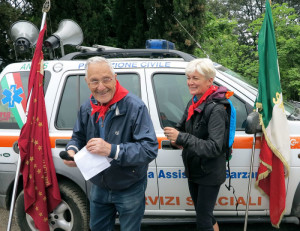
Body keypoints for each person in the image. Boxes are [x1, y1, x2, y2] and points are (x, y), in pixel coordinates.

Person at [63, 56, 158, 231]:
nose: (101, 87)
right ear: (87, 82)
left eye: (106, 79)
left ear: (115, 78)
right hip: (99, 186)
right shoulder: (87, 108)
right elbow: (77, 137)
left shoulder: (135, 107)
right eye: (94, 81)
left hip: (129, 186)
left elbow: (149, 149)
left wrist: (112, 150)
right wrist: (72, 151)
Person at [164, 58, 228, 231]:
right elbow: (182, 128)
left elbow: (214, 147)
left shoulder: (216, 109)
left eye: (195, 78)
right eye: (188, 77)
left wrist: (181, 138)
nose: (190, 82)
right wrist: (173, 138)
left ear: (209, 80)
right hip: (194, 170)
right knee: (206, 215)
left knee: (203, 220)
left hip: (209, 173)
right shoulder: (194, 102)